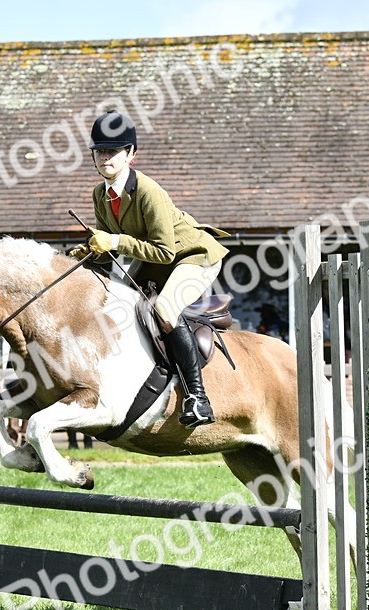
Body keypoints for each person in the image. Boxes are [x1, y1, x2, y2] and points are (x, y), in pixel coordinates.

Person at [69, 110, 230, 428]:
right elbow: (112, 250)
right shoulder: (100, 194)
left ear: (130, 154)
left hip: (192, 257)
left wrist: (113, 241)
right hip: (156, 262)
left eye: (113, 151)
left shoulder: (148, 191)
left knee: (165, 311)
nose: (105, 158)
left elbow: (163, 250)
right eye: (100, 151)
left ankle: (197, 398)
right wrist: (85, 255)